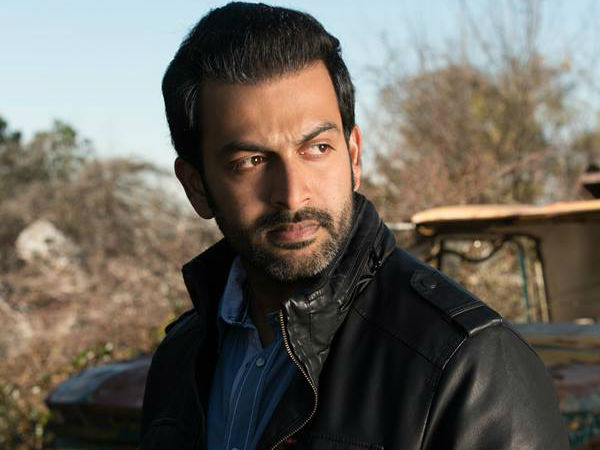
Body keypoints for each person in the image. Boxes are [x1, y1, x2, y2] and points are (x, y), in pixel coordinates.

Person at [140, 3, 569, 449]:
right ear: (196, 186)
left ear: (354, 156)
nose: (293, 195)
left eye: (317, 148)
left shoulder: (469, 366)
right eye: (251, 161)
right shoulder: (180, 359)